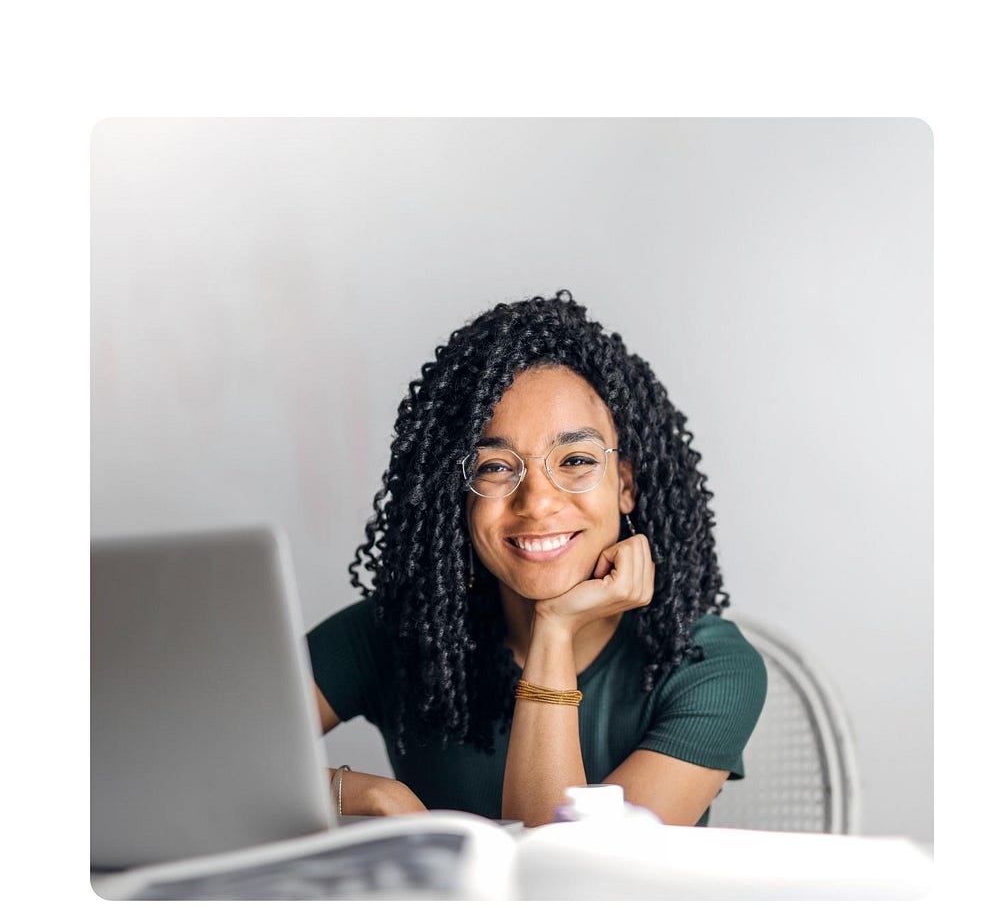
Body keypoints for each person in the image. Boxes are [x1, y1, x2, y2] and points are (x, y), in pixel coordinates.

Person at [307, 291, 767, 827]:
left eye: (575, 460)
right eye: (496, 467)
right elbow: (198, 760)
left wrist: (554, 629)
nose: (538, 502)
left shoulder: (707, 666)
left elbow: (564, 884)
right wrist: (367, 795)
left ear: (626, 484)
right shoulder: (396, 632)